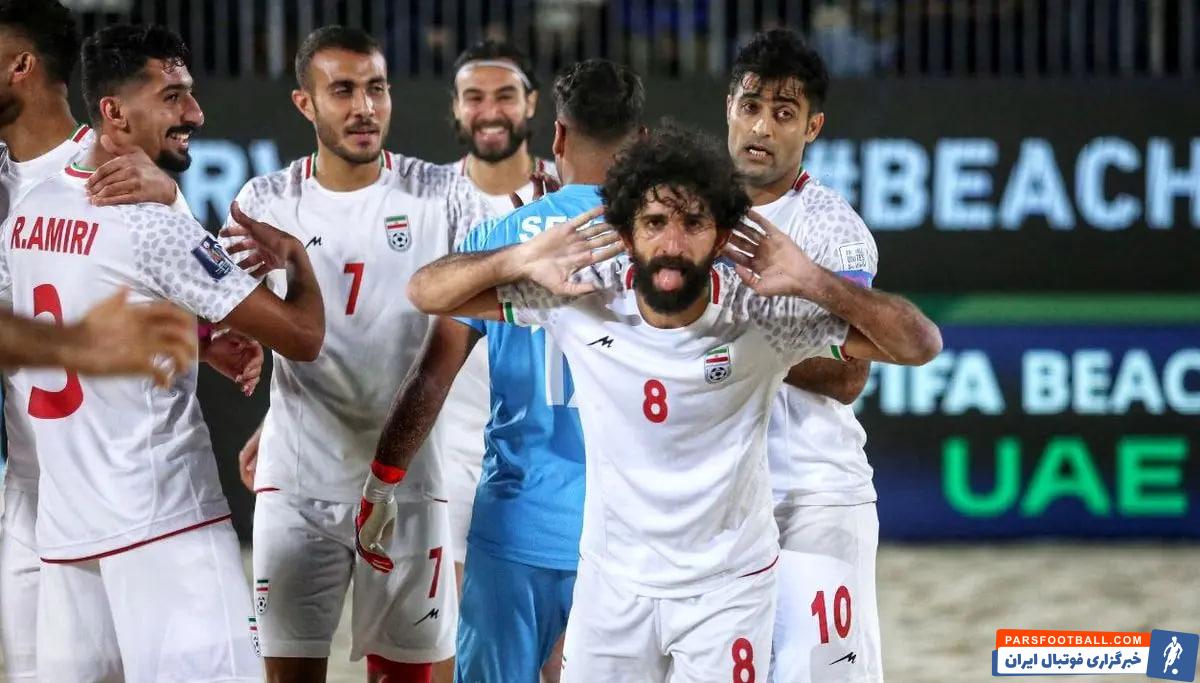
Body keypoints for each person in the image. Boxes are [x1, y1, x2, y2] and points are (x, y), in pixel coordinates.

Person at [395, 123, 941, 680]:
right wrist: (520, 255)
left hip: (727, 592)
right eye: (655, 223)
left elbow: (920, 344)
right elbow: (425, 292)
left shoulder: (760, 313)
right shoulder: (582, 296)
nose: (674, 245)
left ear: (721, 236)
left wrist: (813, 280)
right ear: (627, 234)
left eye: (694, 223)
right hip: (612, 587)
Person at [0, 23, 324, 681]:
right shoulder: (150, 220)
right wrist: (296, 259)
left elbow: (63, 315)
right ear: (114, 112)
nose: (195, 113)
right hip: (165, 530)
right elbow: (301, 335)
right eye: (172, 96)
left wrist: (197, 339)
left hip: (65, 537)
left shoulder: (27, 212)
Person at [355, 59, 644, 683]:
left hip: (515, 529)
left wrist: (382, 481)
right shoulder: (666, 245)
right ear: (643, 142)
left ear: (557, 136)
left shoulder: (505, 236)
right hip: (628, 534)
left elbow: (432, 377)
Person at [227, 26, 490, 683]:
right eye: (342, 91)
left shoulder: (442, 194)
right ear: (305, 103)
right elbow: (243, 318)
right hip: (298, 484)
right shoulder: (265, 201)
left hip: (410, 485)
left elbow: (465, 331)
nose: (364, 108)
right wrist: (268, 406)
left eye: (376, 89)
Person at [725, 29, 884, 682]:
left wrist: (736, 350)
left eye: (784, 113)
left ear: (812, 126)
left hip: (815, 495)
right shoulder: (691, 215)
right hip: (726, 500)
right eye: (751, 106)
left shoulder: (833, 229)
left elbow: (849, 376)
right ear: (729, 108)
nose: (762, 127)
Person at [433, 38, 559, 683]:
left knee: (563, 662)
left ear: (531, 104)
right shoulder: (427, 199)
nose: (490, 111)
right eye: (474, 97)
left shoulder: (572, 195)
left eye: (505, 95)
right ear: (455, 108)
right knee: (470, 653)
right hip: (454, 458)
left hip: (552, 461)